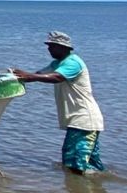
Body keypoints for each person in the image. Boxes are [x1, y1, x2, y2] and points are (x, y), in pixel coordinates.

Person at [12, 31, 106, 174]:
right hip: (79, 121)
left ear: (63, 47)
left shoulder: (73, 63)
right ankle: (96, 192)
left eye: (52, 46)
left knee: (74, 164)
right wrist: (15, 75)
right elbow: (38, 74)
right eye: (49, 46)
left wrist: (30, 76)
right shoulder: (57, 63)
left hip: (84, 120)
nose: (48, 49)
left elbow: (57, 77)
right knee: (91, 165)